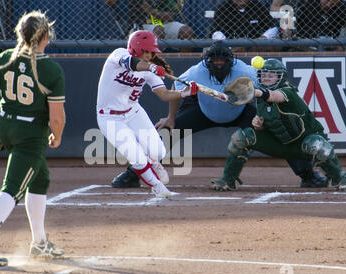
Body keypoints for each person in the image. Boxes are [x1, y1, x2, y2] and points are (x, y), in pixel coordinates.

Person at [111, 41, 328, 189]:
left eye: (222, 61)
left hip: (241, 112)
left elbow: (266, 92)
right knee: (166, 134)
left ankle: (307, 176)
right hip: (204, 111)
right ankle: (134, 174)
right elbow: (176, 89)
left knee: (280, 131)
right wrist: (171, 118)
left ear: (230, 61)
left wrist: (263, 117)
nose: (218, 64)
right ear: (207, 61)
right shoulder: (196, 71)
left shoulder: (246, 71)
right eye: (214, 61)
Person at [0, 11, 66, 266]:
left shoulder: (3, 58)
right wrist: (57, 136)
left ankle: (40, 242)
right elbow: (57, 118)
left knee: (40, 178)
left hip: (8, 128)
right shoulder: (50, 69)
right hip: (31, 135)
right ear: (45, 36)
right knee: (12, 188)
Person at [211, 58, 346, 191]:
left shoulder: (288, 91)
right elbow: (268, 124)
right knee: (240, 137)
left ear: (280, 77)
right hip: (279, 144)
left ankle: (339, 177)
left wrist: (255, 92)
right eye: (263, 74)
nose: (266, 78)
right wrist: (259, 125)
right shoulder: (259, 99)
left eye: (271, 75)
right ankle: (227, 180)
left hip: (302, 145)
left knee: (317, 144)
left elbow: (274, 96)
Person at [97, 30, 199, 197]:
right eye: (146, 51)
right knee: (137, 157)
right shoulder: (119, 55)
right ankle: (157, 186)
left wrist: (185, 93)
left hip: (133, 112)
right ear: (136, 48)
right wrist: (151, 67)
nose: (150, 55)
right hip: (109, 116)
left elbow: (164, 94)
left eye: (152, 52)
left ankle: (154, 164)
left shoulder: (151, 70)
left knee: (158, 152)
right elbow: (132, 63)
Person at [105, 0, 195, 41]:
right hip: (141, 25)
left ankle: (182, 63)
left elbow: (170, 16)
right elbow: (108, 2)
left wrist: (151, 12)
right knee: (158, 30)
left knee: (187, 31)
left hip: (163, 24)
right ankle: (157, 64)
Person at [211, 0, 279, 41]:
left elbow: (273, 28)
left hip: (254, 45)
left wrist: (263, 38)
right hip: (229, 45)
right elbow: (216, 32)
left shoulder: (257, 6)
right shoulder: (223, 8)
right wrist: (227, 46)